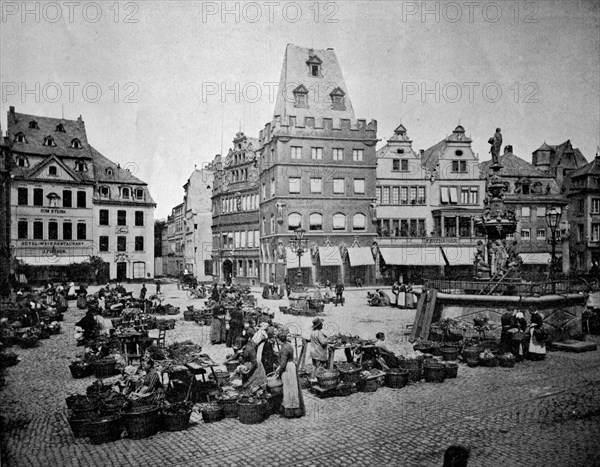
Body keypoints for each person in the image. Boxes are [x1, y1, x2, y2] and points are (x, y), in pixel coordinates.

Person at [274, 332, 305, 418]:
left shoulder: (283, 348)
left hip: (287, 369)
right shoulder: (289, 345)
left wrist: (279, 373)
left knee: (288, 389)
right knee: (293, 388)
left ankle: (289, 411)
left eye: (277, 340)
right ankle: (296, 409)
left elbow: (283, 364)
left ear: (279, 340)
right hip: (292, 366)